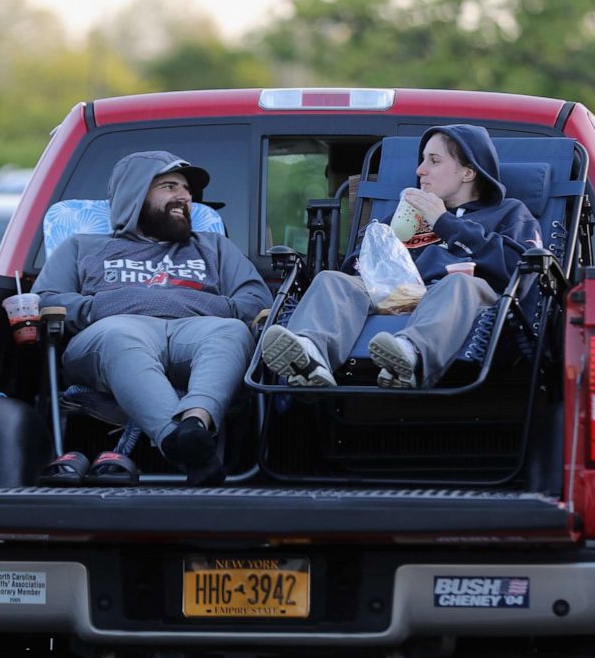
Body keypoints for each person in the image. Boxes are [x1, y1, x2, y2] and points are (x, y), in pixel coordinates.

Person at [33, 151, 272, 486]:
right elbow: (46, 299)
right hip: (113, 335)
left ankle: (195, 427)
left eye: (186, 189)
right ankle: (181, 443)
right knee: (120, 336)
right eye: (169, 186)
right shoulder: (83, 246)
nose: (184, 197)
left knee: (232, 332)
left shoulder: (214, 247)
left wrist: (180, 304)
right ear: (135, 194)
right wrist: (101, 308)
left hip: (197, 332)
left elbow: (255, 300)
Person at [261, 124, 541, 389]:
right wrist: (382, 242)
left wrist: (444, 221)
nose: (420, 170)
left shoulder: (510, 212)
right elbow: (358, 267)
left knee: (459, 284)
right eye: (422, 160)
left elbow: (520, 271)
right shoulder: (407, 213)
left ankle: (410, 355)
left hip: (464, 299)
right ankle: (310, 354)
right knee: (333, 280)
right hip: (397, 294)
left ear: (468, 172)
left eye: (434, 160)